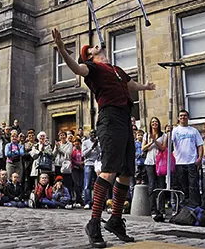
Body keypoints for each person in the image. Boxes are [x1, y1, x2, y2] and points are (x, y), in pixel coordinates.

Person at [53, 28, 155, 247]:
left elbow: (130, 85)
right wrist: (62, 50)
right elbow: (77, 68)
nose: (97, 45)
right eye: (92, 47)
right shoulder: (93, 67)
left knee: (127, 172)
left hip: (125, 119)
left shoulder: (116, 69)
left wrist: (145, 87)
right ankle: (94, 222)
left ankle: (116, 219)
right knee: (109, 170)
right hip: (109, 118)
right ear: (89, 55)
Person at [171, 110, 203, 208]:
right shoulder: (175, 131)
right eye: (181, 116)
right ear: (178, 118)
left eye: (185, 115)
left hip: (191, 162)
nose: (183, 117)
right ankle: (183, 206)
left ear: (188, 117)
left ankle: (194, 206)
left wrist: (200, 158)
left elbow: (200, 145)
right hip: (179, 162)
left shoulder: (194, 131)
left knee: (193, 185)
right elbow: (169, 144)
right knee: (182, 186)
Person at [142, 117, 167, 221]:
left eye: (156, 122)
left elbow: (163, 148)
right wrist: (151, 142)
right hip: (149, 162)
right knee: (151, 185)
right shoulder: (146, 135)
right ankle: (153, 210)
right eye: (152, 122)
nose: (154, 123)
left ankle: (162, 210)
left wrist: (155, 141)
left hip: (160, 163)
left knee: (161, 185)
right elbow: (143, 148)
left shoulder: (164, 135)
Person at [82, 129, 100, 210]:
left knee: (98, 184)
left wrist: (96, 146)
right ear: (89, 134)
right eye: (91, 133)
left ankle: (97, 203)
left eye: (94, 133)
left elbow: (100, 153)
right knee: (87, 184)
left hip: (97, 164)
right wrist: (92, 147)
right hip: (88, 164)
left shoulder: (99, 142)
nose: (93, 135)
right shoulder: (85, 143)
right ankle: (87, 202)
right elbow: (84, 154)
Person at [71, 137, 84, 207]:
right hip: (75, 168)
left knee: (81, 184)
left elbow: (84, 157)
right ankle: (77, 199)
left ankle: (80, 198)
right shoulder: (72, 150)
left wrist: (82, 163)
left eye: (78, 142)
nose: (76, 143)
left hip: (81, 168)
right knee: (76, 184)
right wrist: (78, 164)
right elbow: (71, 159)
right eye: (75, 142)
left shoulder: (82, 150)